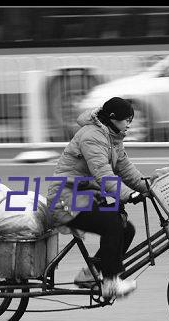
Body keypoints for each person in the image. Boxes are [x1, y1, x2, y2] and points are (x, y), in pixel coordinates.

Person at [47, 97, 149, 299]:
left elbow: (126, 169)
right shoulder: (92, 136)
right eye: (127, 119)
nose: (129, 123)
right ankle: (110, 283)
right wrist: (128, 194)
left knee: (126, 228)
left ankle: (90, 274)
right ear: (113, 118)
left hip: (85, 197)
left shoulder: (113, 137)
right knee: (112, 224)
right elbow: (103, 174)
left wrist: (148, 186)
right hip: (66, 199)